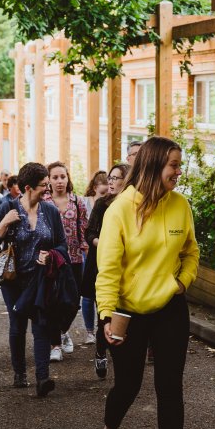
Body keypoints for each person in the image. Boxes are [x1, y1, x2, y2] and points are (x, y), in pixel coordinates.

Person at [96, 136, 199, 429]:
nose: (179, 171)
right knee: (129, 384)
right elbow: (107, 269)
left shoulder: (180, 205)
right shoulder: (120, 209)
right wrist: (107, 315)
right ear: (155, 166)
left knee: (170, 387)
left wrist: (182, 283)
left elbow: (191, 252)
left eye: (179, 164)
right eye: (174, 165)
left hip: (170, 308)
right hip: (128, 312)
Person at [0, 162, 71, 395]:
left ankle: (42, 378)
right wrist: (4, 222)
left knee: (41, 325)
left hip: (40, 279)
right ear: (27, 187)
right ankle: (19, 372)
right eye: (44, 185)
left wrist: (50, 254)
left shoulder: (50, 211)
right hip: (14, 279)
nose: (48, 189)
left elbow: (62, 244)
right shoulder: (7, 207)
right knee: (17, 325)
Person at [82, 162, 130, 379]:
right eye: (109, 178)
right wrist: (106, 244)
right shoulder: (102, 204)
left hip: (128, 269)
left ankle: (123, 358)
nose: (111, 182)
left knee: (124, 313)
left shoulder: (133, 206)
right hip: (101, 264)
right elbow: (89, 233)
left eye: (116, 178)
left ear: (127, 180)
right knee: (105, 314)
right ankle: (101, 352)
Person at [45, 161, 89, 360]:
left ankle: (62, 332)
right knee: (52, 302)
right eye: (55, 177)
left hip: (75, 259)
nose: (59, 181)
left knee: (73, 302)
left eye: (62, 176)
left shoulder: (77, 201)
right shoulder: (44, 201)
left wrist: (87, 249)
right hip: (52, 260)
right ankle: (54, 345)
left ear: (67, 178)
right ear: (49, 180)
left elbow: (84, 229)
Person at [80, 170, 109, 345]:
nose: (105, 194)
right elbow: (85, 228)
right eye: (102, 191)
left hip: (100, 252)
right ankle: (89, 330)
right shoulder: (86, 203)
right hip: (86, 253)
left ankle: (101, 327)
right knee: (88, 294)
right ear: (95, 187)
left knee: (102, 292)